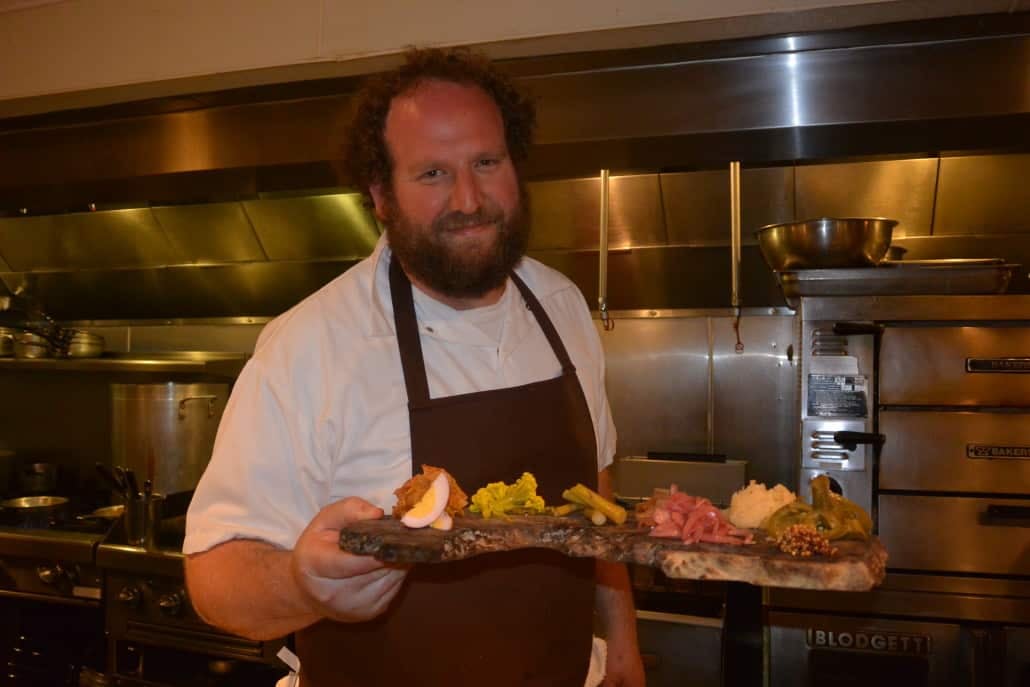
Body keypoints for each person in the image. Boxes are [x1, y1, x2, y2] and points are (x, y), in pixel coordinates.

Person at [183, 47, 645, 687]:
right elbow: (213, 575)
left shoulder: (563, 308)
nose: (469, 198)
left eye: (487, 162)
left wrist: (622, 641)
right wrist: (300, 582)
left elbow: (597, 495)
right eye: (432, 173)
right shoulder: (311, 344)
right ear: (380, 196)